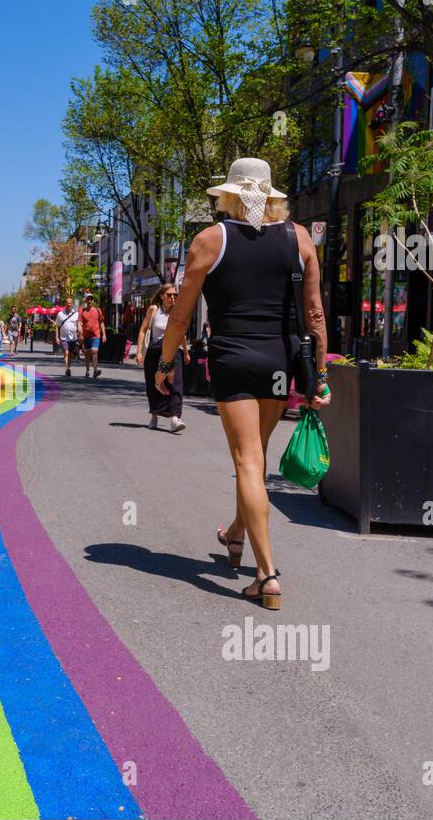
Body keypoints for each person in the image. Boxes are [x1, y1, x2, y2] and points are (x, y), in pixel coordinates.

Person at [156, 157, 331, 610]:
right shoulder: (300, 239)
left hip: (233, 357)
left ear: (229, 195)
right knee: (255, 456)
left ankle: (267, 575)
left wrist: (166, 362)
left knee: (248, 461)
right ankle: (235, 534)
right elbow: (314, 314)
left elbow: (181, 313)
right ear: (272, 196)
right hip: (279, 360)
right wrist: (321, 376)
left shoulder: (210, 240)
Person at [136, 284, 189, 432]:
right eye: (169, 295)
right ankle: (154, 414)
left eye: (175, 295)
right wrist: (139, 351)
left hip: (174, 350)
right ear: (161, 296)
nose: (173, 298)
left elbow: (181, 333)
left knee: (176, 383)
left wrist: (186, 352)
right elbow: (143, 330)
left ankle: (174, 418)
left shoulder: (177, 313)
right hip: (155, 351)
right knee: (153, 385)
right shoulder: (154, 310)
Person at [78, 293, 106, 378]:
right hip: (86, 336)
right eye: (88, 299)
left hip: (95, 335)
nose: (90, 301)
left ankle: (95, 370)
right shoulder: (82, 311)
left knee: (94, 351)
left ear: (92, 300)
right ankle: (87, 370)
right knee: (86, 354)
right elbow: (79, 323)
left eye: (91, 299)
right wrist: (80, 334)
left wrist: (104, 334)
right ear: (85, 300)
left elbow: (101, 323)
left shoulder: (97, 310)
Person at [54, 297, 79, 378]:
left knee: (70, 354)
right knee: (66, 352)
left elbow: (79, 325)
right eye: (67, 303)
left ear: (72, 304)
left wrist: (80, 334)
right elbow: (57, 326)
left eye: (70, 303)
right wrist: (57, 337)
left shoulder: (76, 314)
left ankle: (68, 368)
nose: (69, 304)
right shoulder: (60, 314)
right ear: (65, 304)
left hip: (73, 338)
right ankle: (67, 368)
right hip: (63, 337)